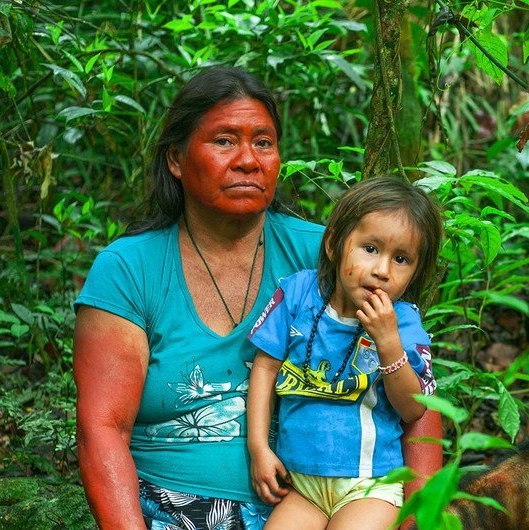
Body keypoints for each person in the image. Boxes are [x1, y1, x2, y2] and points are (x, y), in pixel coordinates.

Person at [72, 67, 442, 530]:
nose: (249, 160)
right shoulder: (130, 269)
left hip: (326, 504)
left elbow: (418, 402)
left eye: (263, 143)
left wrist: (418, 516)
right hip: (171, 511)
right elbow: (101, 430)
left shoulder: (337, 259)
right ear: (176, 159)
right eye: (224, 141)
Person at [246, 176, 443, 530]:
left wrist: (388, 343)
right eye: (370, 249)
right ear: (335, 244)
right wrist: (259, 448)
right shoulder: (297, 295)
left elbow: (414, 409)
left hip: (370, 485)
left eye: (401, 259)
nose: (382, 270)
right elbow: (264, 368)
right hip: (301, 487)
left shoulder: (404, 323)